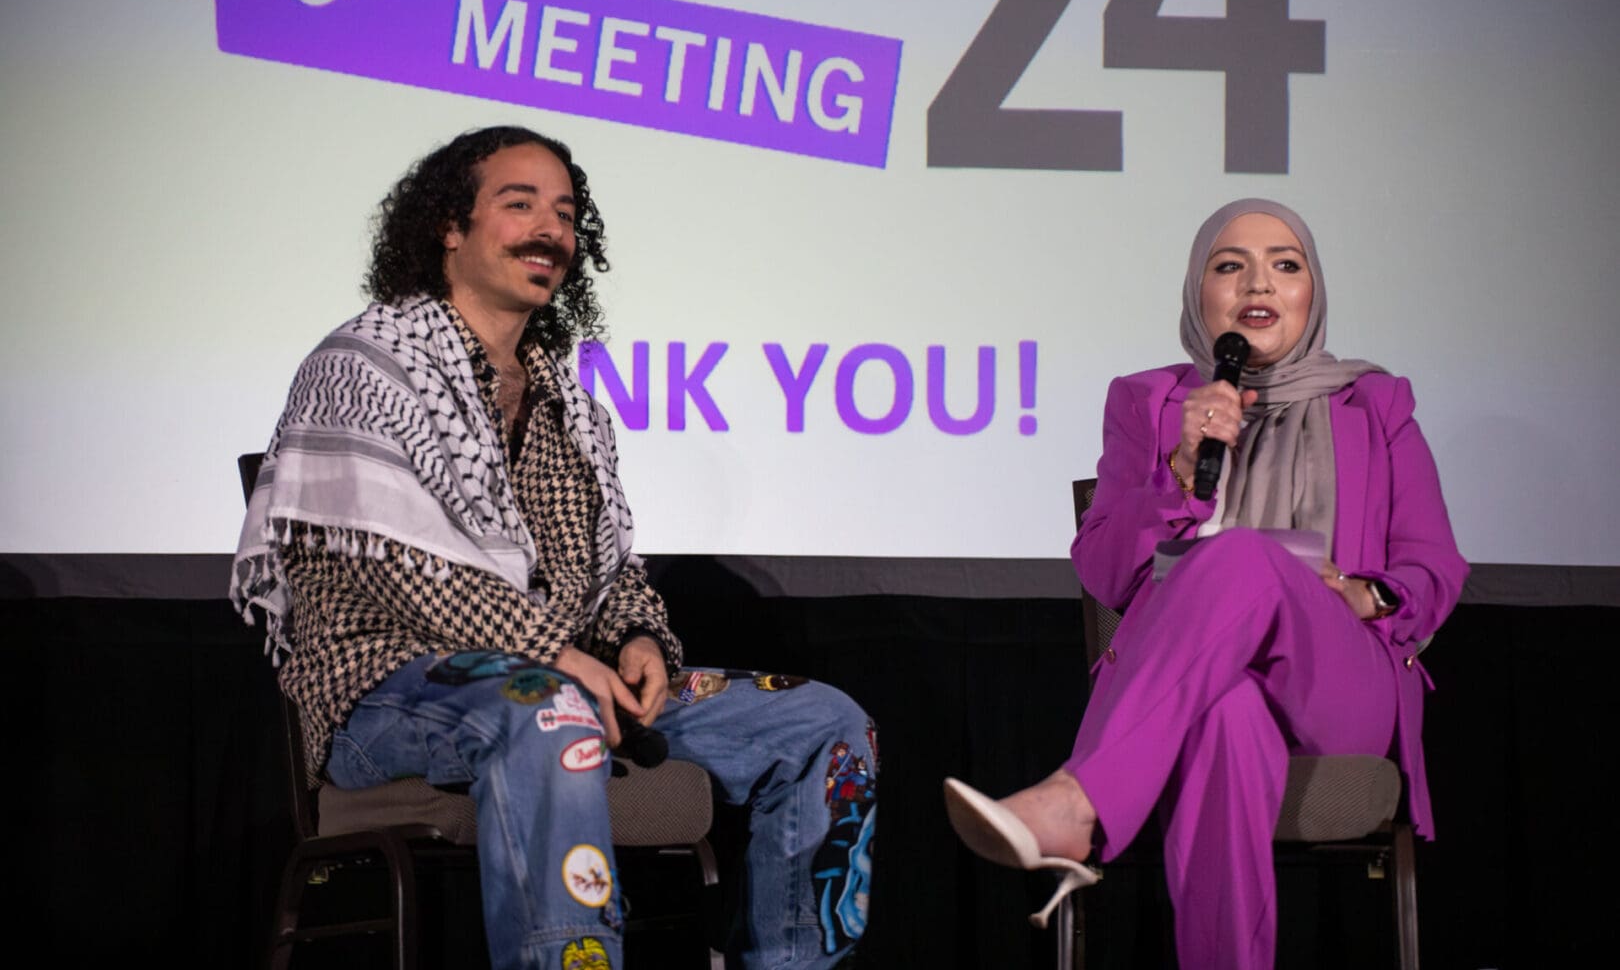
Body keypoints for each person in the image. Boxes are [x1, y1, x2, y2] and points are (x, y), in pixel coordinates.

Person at [231, 126, 875, 970]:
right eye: (519, 203)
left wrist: (643, 640)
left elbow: (611, 571)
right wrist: (559, 653)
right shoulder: (363, 367)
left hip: (555, 680)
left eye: (566, 213)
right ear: (448, 227)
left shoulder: (568, 400)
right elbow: (403, 576)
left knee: (823, 721)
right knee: (552, 705)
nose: (549, 229)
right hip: (385, 696)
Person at [943, 199, 1466, 969]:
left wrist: (1366, 594)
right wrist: (1182, 472)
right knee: (1225, 713)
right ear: (1199, 291)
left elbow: (1435, 566)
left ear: (1311, 291)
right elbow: (1108, 572)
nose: (1259, 281)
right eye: (1231, 265)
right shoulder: (1150, 402)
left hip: (1340, 682)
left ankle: (1081, 800)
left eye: (1286, 265)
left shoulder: (1376, 405)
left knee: (1244, 556)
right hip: (1199, 692)